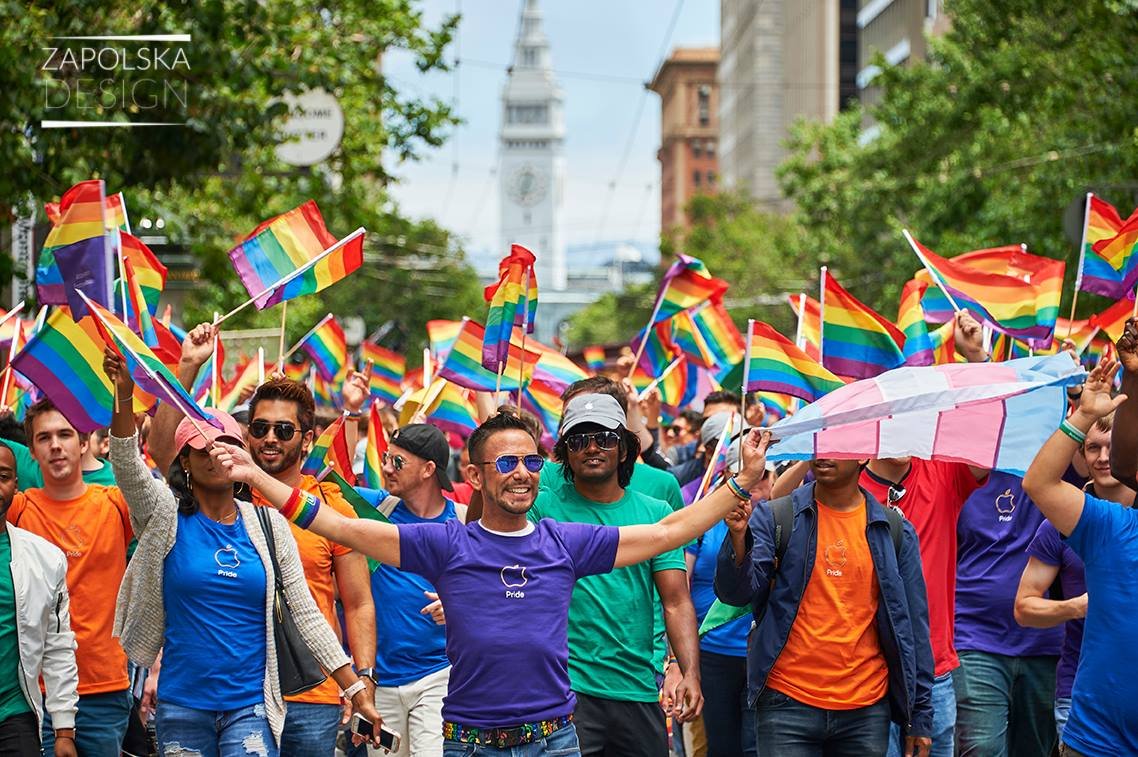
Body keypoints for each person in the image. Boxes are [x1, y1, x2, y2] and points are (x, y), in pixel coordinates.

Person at [207, 412, 772, 757]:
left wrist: (742, 480)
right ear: (474, 476)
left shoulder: (563, 542)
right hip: (470, 744)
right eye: (505, 464)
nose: (522, 472)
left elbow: (671, 528)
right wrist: (255, 476)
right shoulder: (447, 544)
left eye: (530, 461)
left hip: (554, 740)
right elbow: (338, 523)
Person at [102, 350, 381, 754]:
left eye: (226, 444)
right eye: (203, 447)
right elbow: (127, 464)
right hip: (183, 707)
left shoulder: (269, 524)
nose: (216, 454)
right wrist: (124, 395)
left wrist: (356, 687)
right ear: (185, 458)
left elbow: (307, 615)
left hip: (252, 709)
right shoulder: (165, 515)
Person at [716, 457, 935, 757]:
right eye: (822, 440)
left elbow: (914, 627)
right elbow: (736, 594)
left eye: (838, 443)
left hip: (865, 710)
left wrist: (919, 717)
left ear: (862, 454)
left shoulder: (893, 530)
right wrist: (739, 539)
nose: (824, 453)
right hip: (786, 703)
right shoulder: (776, 516)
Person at [528, 393, 701, 757]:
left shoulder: (657, 513)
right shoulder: (541, 508)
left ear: (623, 449)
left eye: (605, 438)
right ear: (566, 452)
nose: (592, 448)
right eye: (579, 440)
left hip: (636, 688)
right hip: (565, 691)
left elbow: (676, 601)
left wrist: (688, 673)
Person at [1022, 358, 1138, 756]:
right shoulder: (1113, 526)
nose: (1104, 457)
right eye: (1094, 447)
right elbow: (1038, 482)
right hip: (1096, 741)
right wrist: (1085, 413)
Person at [5, 398, 134, 755]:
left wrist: (123, 392)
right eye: (44, 438)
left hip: (104, 689)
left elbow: (146, 475)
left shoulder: (115, 503)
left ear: (84, 443)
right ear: (31, 450)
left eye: (65, 434)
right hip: (34, 692)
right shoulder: (18, 509)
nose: (56, 445)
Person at [366, 422, 463, 756]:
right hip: (379, 680)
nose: (386, 468)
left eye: (397, 462)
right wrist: (350, 413)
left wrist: (457, 605)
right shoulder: (377, 509)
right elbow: (322, 482)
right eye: (384, 458)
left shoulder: (463, 523)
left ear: (428, 469)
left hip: (440, 675)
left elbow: (497, 594)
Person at [686, 447, 774, 757]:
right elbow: (678, 592)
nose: (758, 486)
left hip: (762, 657)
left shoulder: (779, 520)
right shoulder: (705, 519)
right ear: (729, 478)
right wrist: (680, 662)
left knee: (756, 748)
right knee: (722, 748)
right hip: (714, 654)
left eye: (765, 477)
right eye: (751, 477)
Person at [0, 441, 79, 757]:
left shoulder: (45, 559)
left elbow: (57, 646)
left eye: (2, 475)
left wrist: (64, 731)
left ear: (15, 485)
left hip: (13, 715)